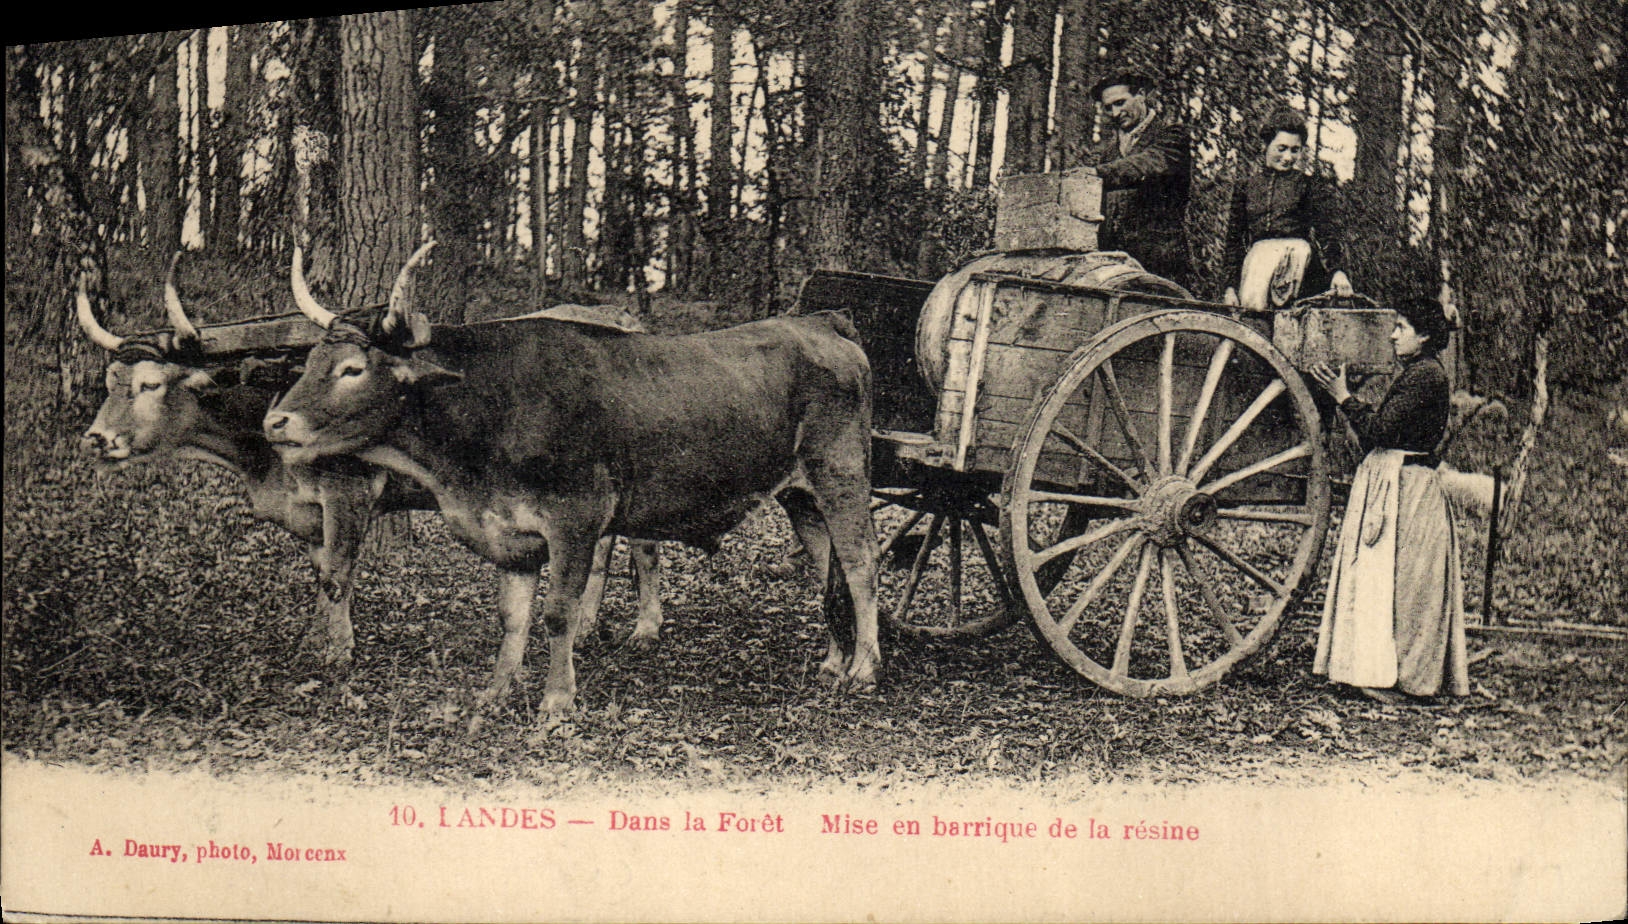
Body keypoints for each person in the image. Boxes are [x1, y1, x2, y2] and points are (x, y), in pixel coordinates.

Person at [1308, 297, 1468, 704]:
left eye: (1402, 327)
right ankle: (1374, 668)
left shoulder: (1427, 376)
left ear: (1425, 335)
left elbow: (1378, 431)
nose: (1393, 334)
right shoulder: (1417, 372)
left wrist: (1343, 397)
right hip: (1397, 481)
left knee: (1408, 584)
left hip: (1409, 489)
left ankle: (1407, 678)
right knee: (1389, 579)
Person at [1223, 109, 1351, 307]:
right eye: (1281, 148)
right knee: (1252, 306)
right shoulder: (1246, 187)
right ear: (1265, 145)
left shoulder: (1309, 185)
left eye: (1295, 150)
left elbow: (1327, 232)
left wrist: (1338, 271)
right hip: (1259, 263)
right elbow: (1234, 241)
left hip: (1299, 262)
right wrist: (1229, 287)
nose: (1288, 157)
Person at [1087, 71, 1192, 287]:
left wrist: (1092, 175)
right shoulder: (1109, 152)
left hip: (1160, 262)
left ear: (1141, 95)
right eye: (1108, 108)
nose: (1115, 113)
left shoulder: (1172, 136)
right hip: (1116, 266)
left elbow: (1146, 164)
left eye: (1120, 103)